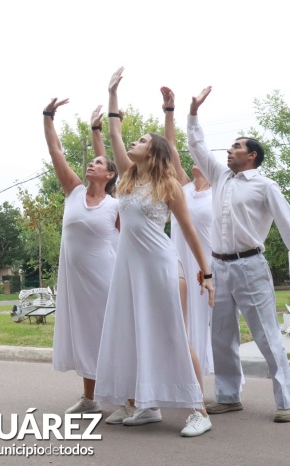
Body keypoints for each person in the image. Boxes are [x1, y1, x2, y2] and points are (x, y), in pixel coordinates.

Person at [94, 67, 216, 438]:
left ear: (154, 150)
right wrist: (112, 92)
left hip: (162, 267)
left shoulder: (168, 185)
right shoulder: (129, 177)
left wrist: (206, 274)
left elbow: (191, 233)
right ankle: (146, 406)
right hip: (129, 271)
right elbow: (114, 131)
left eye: (142, 139)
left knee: (172, 335)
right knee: (133, 334)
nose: (133, 141)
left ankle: (199, 410)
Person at [186, 85, 290, 423]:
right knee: (221, 335)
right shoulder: (219, 177)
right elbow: (196, 146)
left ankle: (287, 401)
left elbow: (289, 223)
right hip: (219, 265)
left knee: (267, 335)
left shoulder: (265, 186)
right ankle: (228, 397)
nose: (229, 150)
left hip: (251, 265)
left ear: (252, 155)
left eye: (237, 146)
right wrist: (193, 113)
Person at [43, 98, 120, 415]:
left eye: (100, 163)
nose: (92, 164)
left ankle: (126, 399)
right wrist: (48, 117)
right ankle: (90, 399)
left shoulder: (116, 206)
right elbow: (56, 152)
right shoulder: (73, 191)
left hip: (107, 280)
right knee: (87, 336)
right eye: (92, 162)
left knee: (110, 336)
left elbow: (133, 240)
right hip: (76, 284)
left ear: (111, 175)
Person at [161, 86, 214, 377]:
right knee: (179, 322)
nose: (194, 160)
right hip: (178, 263)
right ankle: (183, 379)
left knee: (205, 324)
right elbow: (169, 151)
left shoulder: (218, 192)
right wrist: (170, 111)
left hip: (206, 266)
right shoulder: (183, 188)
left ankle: (209, 384)